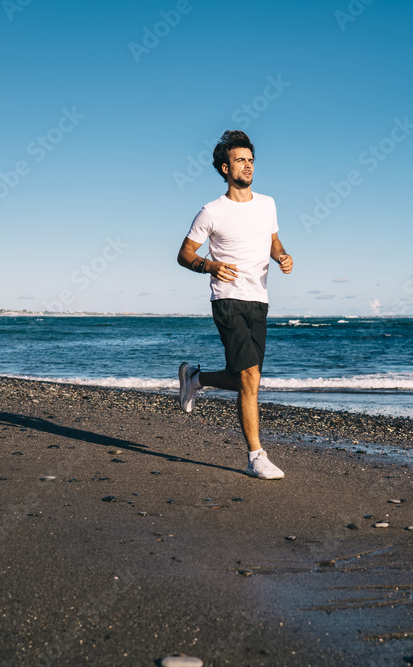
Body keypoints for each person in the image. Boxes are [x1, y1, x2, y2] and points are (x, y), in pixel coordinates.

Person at [176, 130, 293, 480]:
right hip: (227, 300)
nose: (248, 166)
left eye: (251, 160)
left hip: (259, 299)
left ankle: (195, 378)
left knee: (249, 379)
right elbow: (184, 255)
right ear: (225, 168)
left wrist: (282, 255)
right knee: (249, 376)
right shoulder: (211, 211)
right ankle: (256, 456)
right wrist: (208, 265)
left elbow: (273, 241)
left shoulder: (268, 204)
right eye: (241, 160)